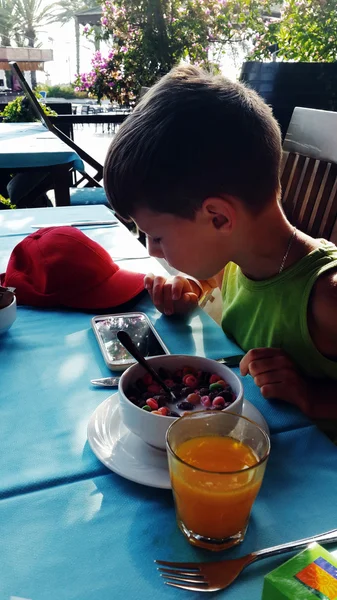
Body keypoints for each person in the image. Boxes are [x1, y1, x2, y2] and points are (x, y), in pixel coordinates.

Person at [104, 65, 337, 421]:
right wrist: (191, 289)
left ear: (218, 218)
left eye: (157, 236)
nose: (152, 251)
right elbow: (220, 281)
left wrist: (311, 396)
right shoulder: (238, 257)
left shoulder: (326, 299)